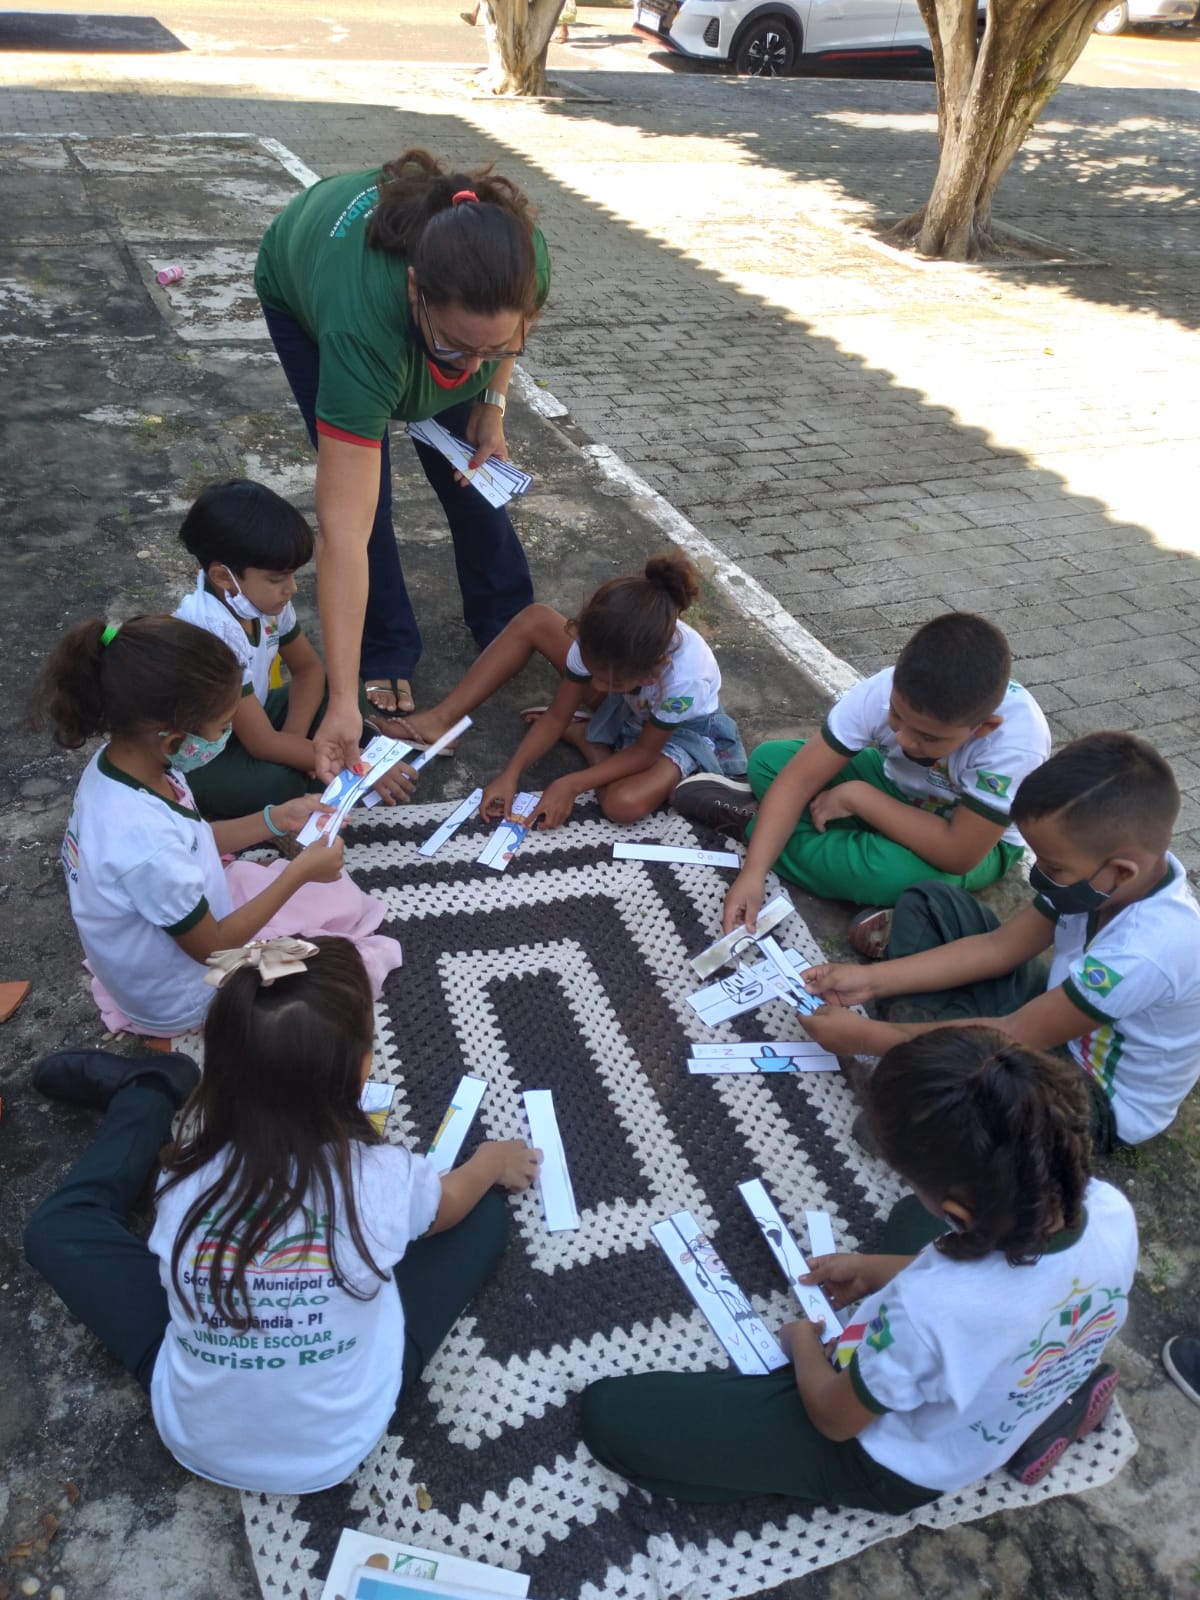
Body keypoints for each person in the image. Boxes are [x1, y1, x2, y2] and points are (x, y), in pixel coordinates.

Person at [23, 935, 541, 1496]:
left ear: (221, 1067)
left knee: (59, 1231)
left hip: (196, 1432)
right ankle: (152, 1089)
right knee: (481, 1215)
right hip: (337, 1443)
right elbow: (449, 1205)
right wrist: (490, 1162)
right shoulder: (384, 1178)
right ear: (361, 1070)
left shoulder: (183, 1171)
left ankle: (150, 1091)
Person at [580, 1027, 1136, 1504]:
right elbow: (996, 1295)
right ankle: (1053, 1402)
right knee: (911, 1219)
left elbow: (835, 1418)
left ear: (961, 1214)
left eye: (908, 1175)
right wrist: (874, 1271)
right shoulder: (1109, 1210)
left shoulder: (928, 1309)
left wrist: (802, 1343)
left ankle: (786, 1472)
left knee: (612, 1417)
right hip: (1011, 1361)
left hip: (890, 1464)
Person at [254, 148, 553, 779]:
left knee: (471, 468)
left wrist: (492, 404)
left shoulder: (520, 259)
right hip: (305, 281)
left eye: (496, 347)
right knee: (368, 505)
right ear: (417, 291)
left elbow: (486, 345)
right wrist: (341, 702)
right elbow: (343, 534)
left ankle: (506, 619)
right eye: (456, 346)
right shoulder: (361, 328)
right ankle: (385, 645)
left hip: (439, 316)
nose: (470, 367)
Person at [801, 733, 1200, 1152]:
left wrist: (866, 1038)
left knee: (901, 1121)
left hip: (1090, 1093)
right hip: (1049, 1014)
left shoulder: (1146, 951)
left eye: (1054, 868)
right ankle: (924, 1042)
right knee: (931, 904)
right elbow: (1000, 948)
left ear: (1122, 871)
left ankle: (921, 1047)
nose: (1041, 876)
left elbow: (1015, 1033)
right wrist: (870, 981)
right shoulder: (1102, 879)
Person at [36, 616, 403, 1039]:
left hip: (173, 945)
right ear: (174, 739)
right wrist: (299, 874)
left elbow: (192, 840)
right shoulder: (146, 844)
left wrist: (274, 818)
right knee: (342, 974)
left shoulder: (121, 765)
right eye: (223, 726)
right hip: (187, 996)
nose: (227, 735)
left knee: (332, 896)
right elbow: (214, 950)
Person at [672, 612, 1050, 931]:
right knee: (770, 762)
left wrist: (860, 798)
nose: (904, 739)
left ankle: (754, 825)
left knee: (888, 873)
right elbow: (799, 779)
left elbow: (959, 853)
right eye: (896, 716)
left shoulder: (1016, 745)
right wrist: (753, 873)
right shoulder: (882, 690)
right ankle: (810, 844)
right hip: (895, 785)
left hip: (974, 839)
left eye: (929, 738)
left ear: (983, 728)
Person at [392, 551, 746, 828]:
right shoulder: (598, 645)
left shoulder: (684, 680)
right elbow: (557, 715)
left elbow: (644, 753)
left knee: (622, 804)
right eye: (592, 673)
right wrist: (510, 773)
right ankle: (444, 719)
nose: (596, 688)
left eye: (610, 682)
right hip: (632, 703)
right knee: (537, 618)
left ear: (657, 668)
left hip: (678, 732)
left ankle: (591, 742)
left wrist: (571, 784)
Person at [174, 479, 415, 819]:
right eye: (277, 579)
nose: (292, 588)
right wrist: (358, 763)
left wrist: (293, 743)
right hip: (204, 759)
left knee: (341, 694)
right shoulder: (211, 633)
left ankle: (314, 770)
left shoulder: (261, 601)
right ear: (223, 577)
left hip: (250, 725)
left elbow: (309, 671)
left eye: (292, 575)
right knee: (275, 782)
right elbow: (261, 743)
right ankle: (312, 781)